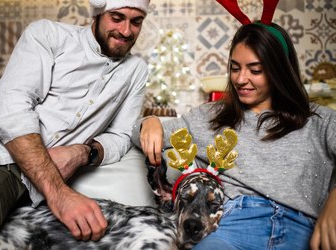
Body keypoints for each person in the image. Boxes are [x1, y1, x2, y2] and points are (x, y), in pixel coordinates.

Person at [132, 15, 336, 250]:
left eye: (255, 70)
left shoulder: (321, 121)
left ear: (280, 71)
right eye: (235, 68)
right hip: (233, 228)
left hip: (301, 231)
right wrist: (149, 122)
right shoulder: (210, 117)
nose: (240, 79)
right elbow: (139, 134)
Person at [0, 0, 151, 249]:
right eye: (117, 18)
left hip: (7, 166)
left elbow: (121, 135)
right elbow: (11, 105)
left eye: (136, 22)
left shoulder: (136, 71)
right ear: (98, 13)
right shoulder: (47, 34)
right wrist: (59, 194)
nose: (126, 31)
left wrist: (83, 153)